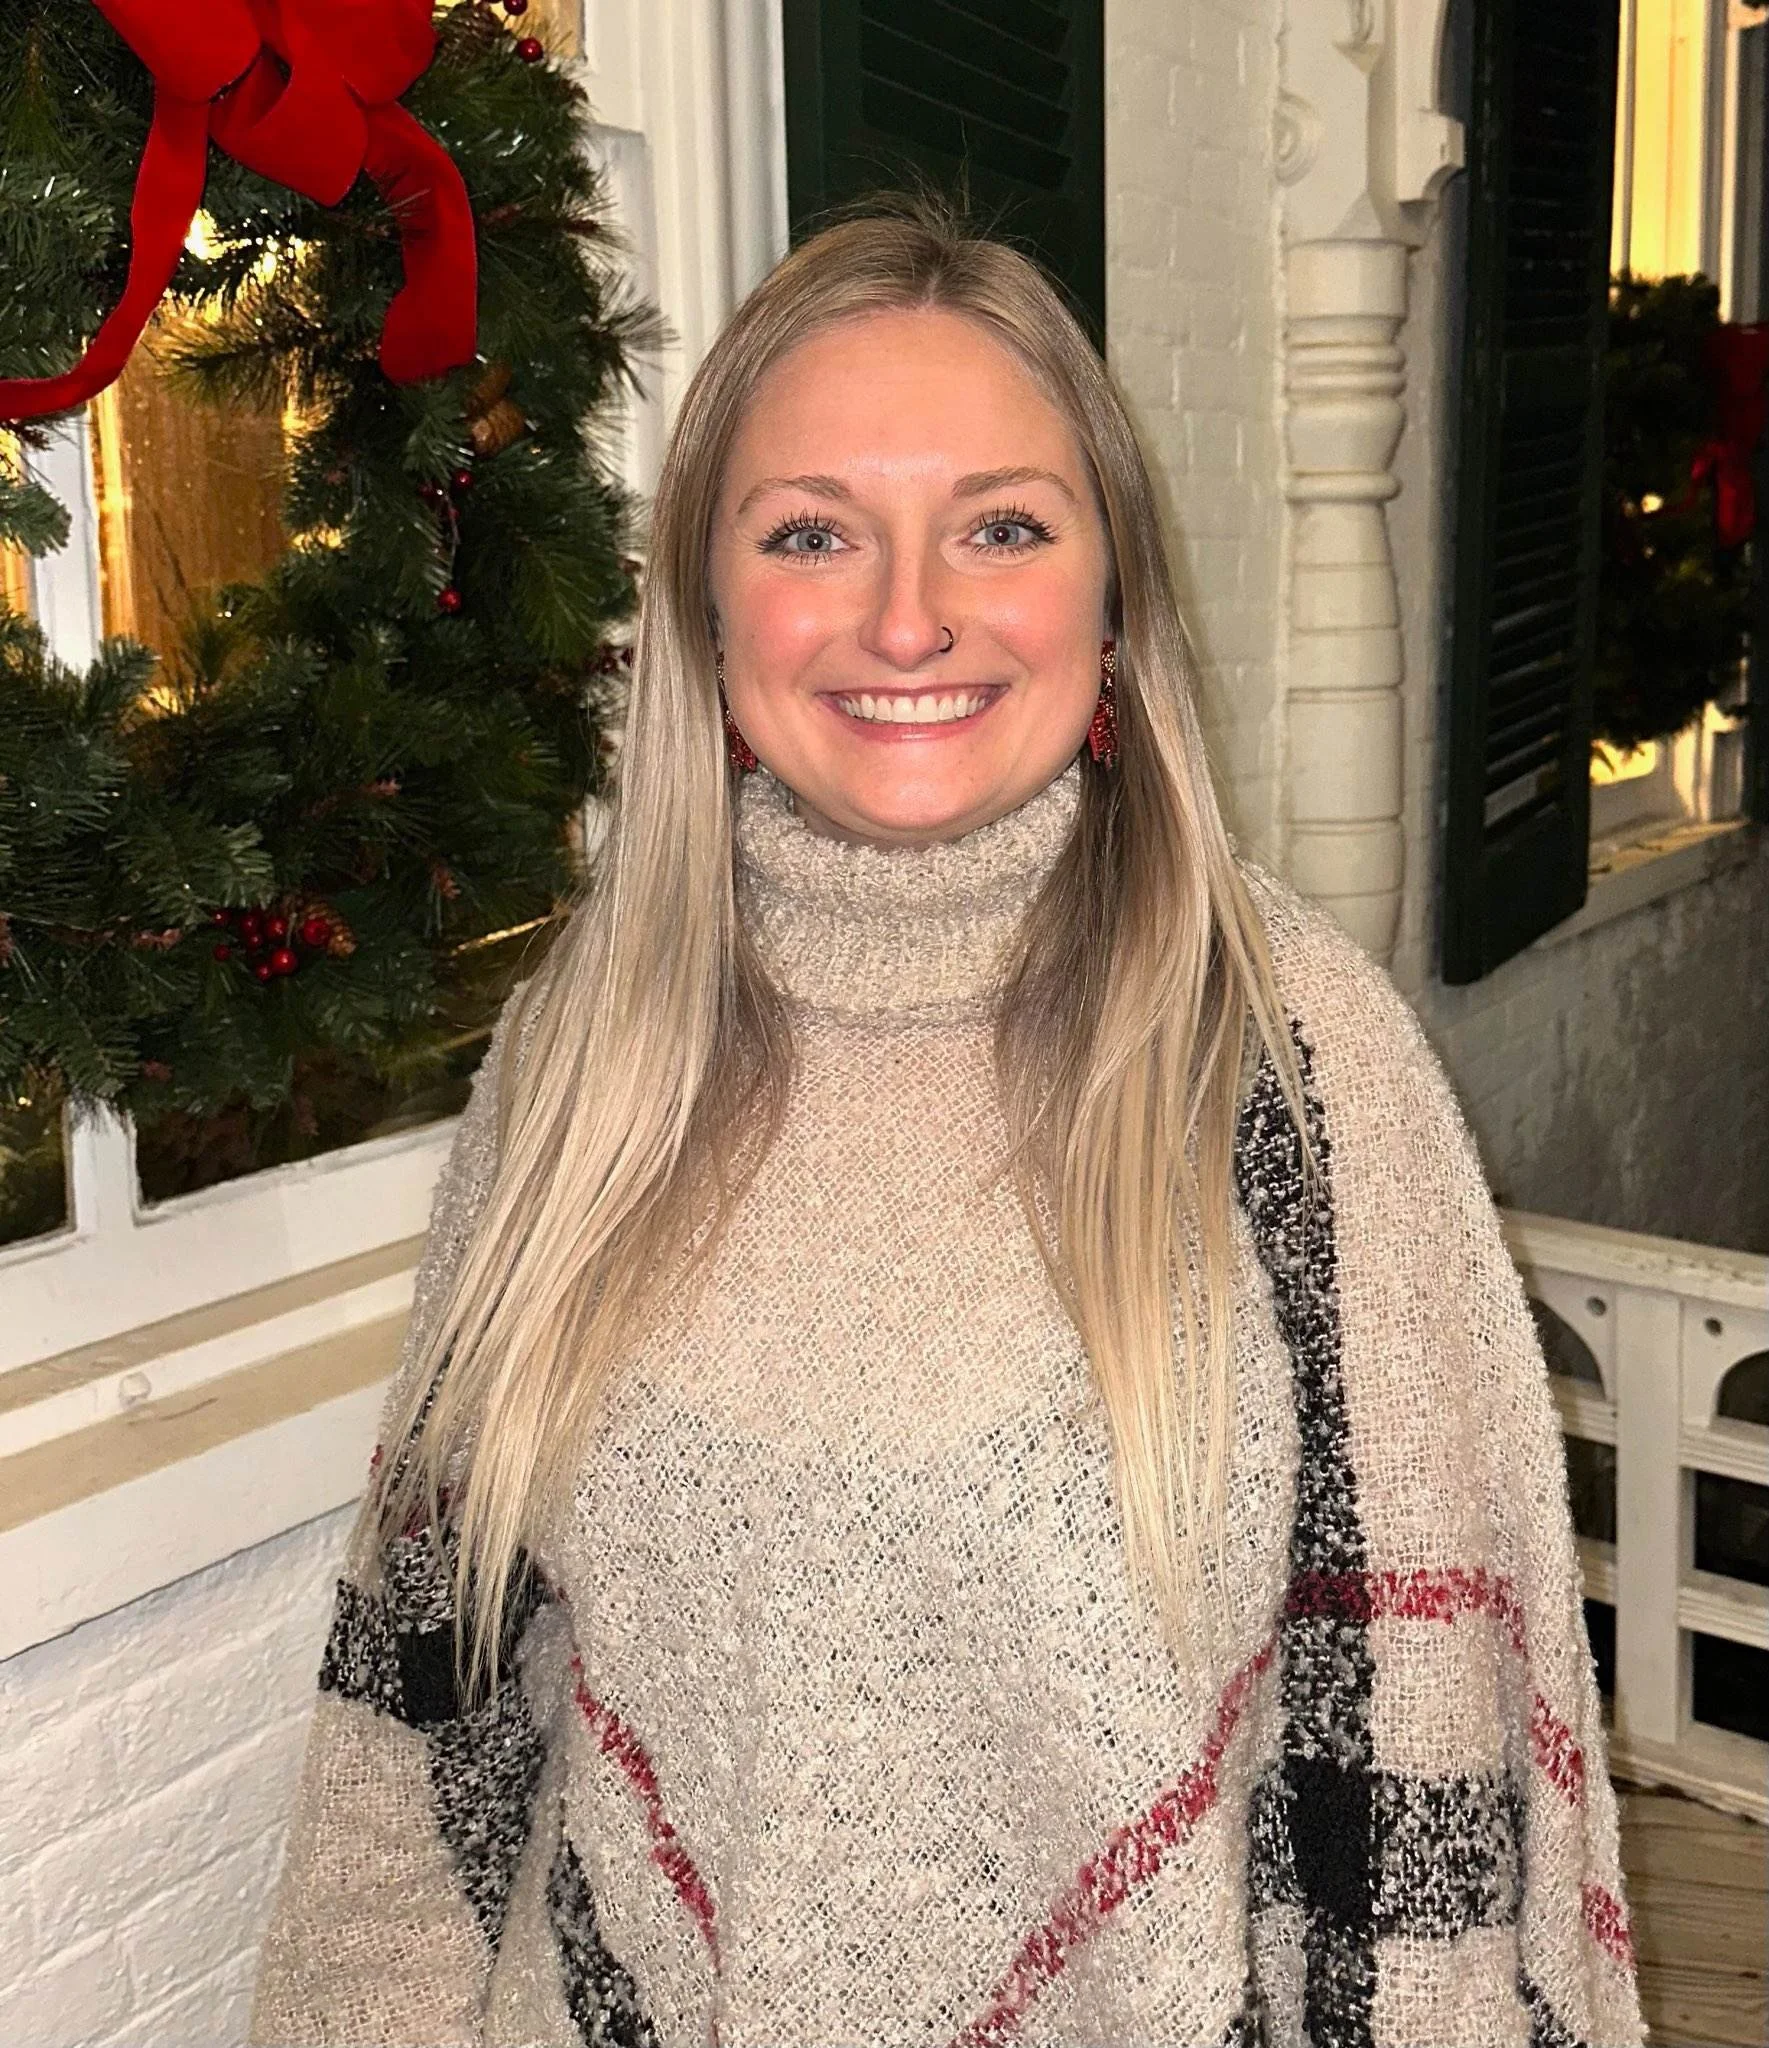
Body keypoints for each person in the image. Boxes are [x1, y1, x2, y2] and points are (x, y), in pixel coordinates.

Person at [250, 198, 1643, 2048]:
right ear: (706, 611)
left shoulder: (1292, 1071)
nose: (908, 617)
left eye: (1001, 527)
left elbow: (1426, 1808)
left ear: (1114, 597)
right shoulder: (584, 1058)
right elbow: (422, 1725)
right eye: (812, 533)